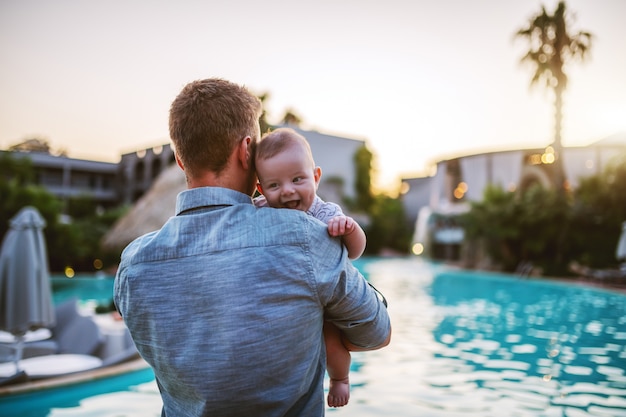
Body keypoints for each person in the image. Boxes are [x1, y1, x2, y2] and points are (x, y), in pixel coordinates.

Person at [113, 78, 391, 417]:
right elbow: (376, 332)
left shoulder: (134, 265)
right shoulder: (304, 237)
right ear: (246, 151)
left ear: (181, 161)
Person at [254, 127, 367, 407]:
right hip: (288, 298)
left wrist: (349, 230)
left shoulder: (325, 213)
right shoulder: (260, 210)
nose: (288, 190)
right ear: (260, 189)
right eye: (274, 185)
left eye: (297, 179)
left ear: (315, 177)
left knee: (331, 340)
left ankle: (340, 378)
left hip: (323, 302)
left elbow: (356, 251)